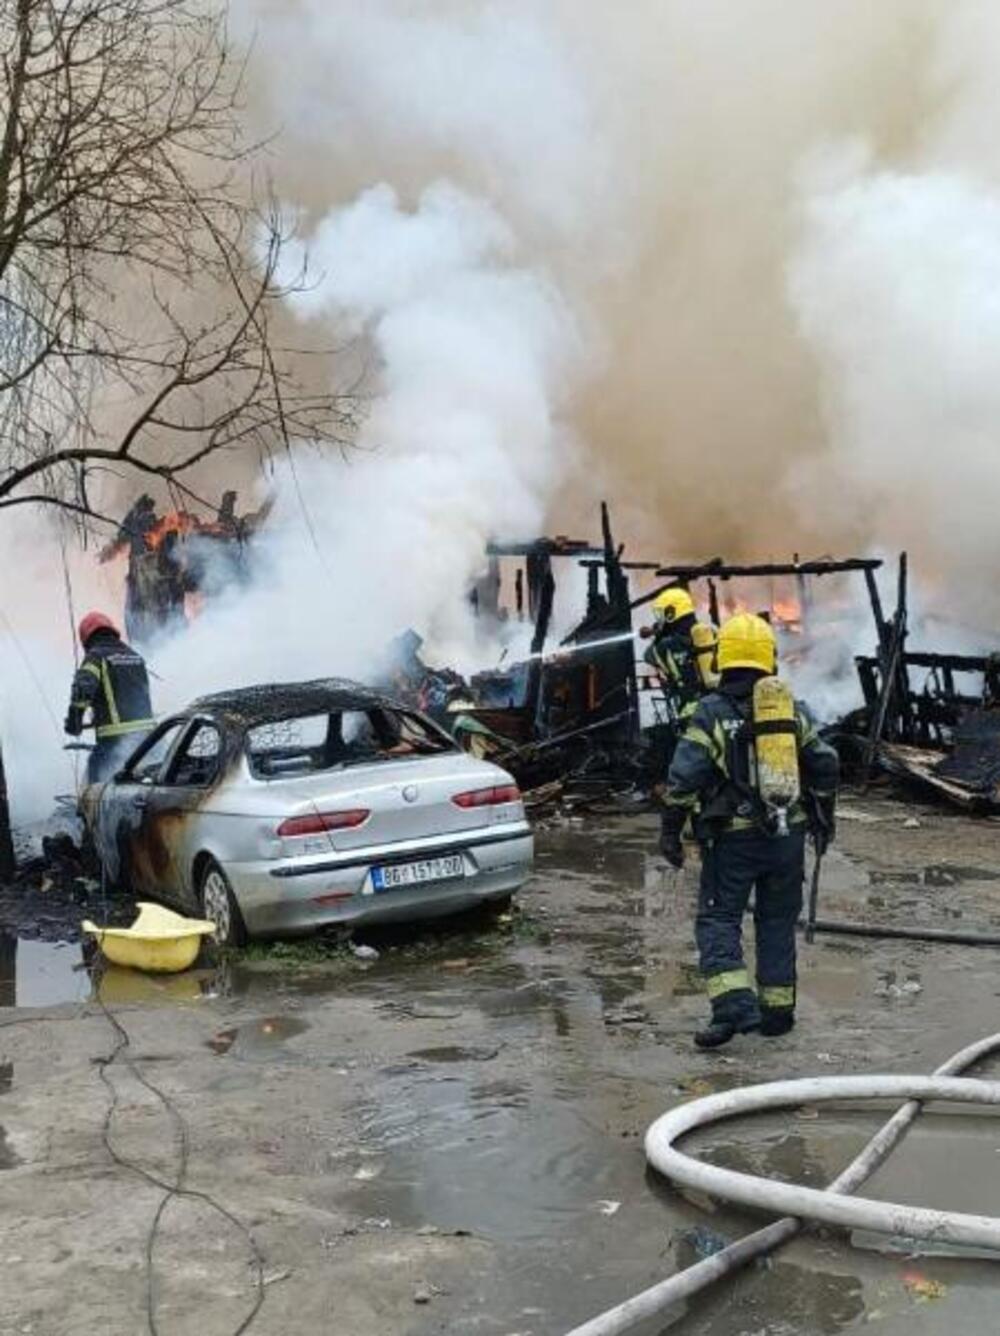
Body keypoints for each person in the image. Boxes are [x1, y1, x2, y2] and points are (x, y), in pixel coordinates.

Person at [658, 612, 839, 1050]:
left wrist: (670, 829)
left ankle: (733, 1006)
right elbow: (825, 762)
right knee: (777, 921)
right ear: (768, 658)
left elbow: (684, 777)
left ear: (723, 658)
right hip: (787, 837)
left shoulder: (711, 712)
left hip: (733, 839)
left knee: (719, 918)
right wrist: (824, 816)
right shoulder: (790, 709)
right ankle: (777, 1013)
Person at [64, 612, 155, 782]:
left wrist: (74, 721)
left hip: (115, 742)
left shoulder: (96, 657)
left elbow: (82, 692)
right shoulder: (135, 656)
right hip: (150, 740)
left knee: (94, 788)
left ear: (87, 638)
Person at [643, 587, 718, 722]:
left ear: (670, 614)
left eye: (660, 614)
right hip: (721, 705)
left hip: (693, 712)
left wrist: (659, 635)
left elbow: (648, 656)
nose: (659, 619)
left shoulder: (664, 646)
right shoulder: (711, 632)